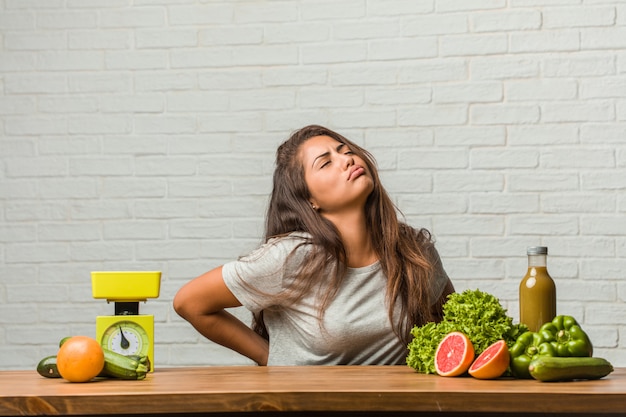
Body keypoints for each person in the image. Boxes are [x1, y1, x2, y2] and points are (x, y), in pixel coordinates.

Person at [173, 125, 454, 366]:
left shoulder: (413, 250)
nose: (347, 159)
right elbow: (190, 302)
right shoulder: (293, 258)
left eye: (346, 151)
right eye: (326, 162)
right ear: (309, 200)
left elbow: (451, 326)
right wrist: (271, 358)